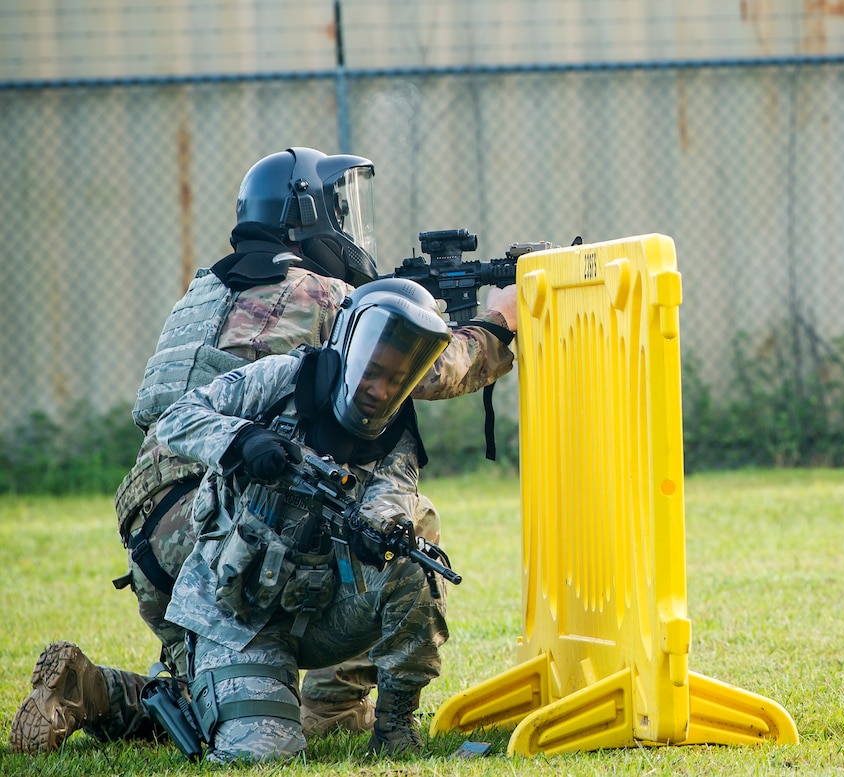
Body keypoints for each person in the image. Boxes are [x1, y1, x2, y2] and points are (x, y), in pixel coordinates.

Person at [8, 146, 519, 755]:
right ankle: (331, 704)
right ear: (310, 214)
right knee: (415, 519)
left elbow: (158, 408)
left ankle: (90, 689)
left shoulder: (203, 291)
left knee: (214, 706)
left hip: (151, 531)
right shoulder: (323, 294)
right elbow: (433, 372)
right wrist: (497, 326)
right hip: (225, 521)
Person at [153, 278, 465, 761]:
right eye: (373, 372)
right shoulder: (281, 379)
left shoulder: (396, 434)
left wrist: (380, 530)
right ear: (347, 346)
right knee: (262, 754)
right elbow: (177, 418)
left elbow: (392, 496)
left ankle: (396, 729)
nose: (380, 391)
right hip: (238, 614)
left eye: (396, 380)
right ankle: (119, 695)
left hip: (320, 610)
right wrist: (243, 441)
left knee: (415, 561)